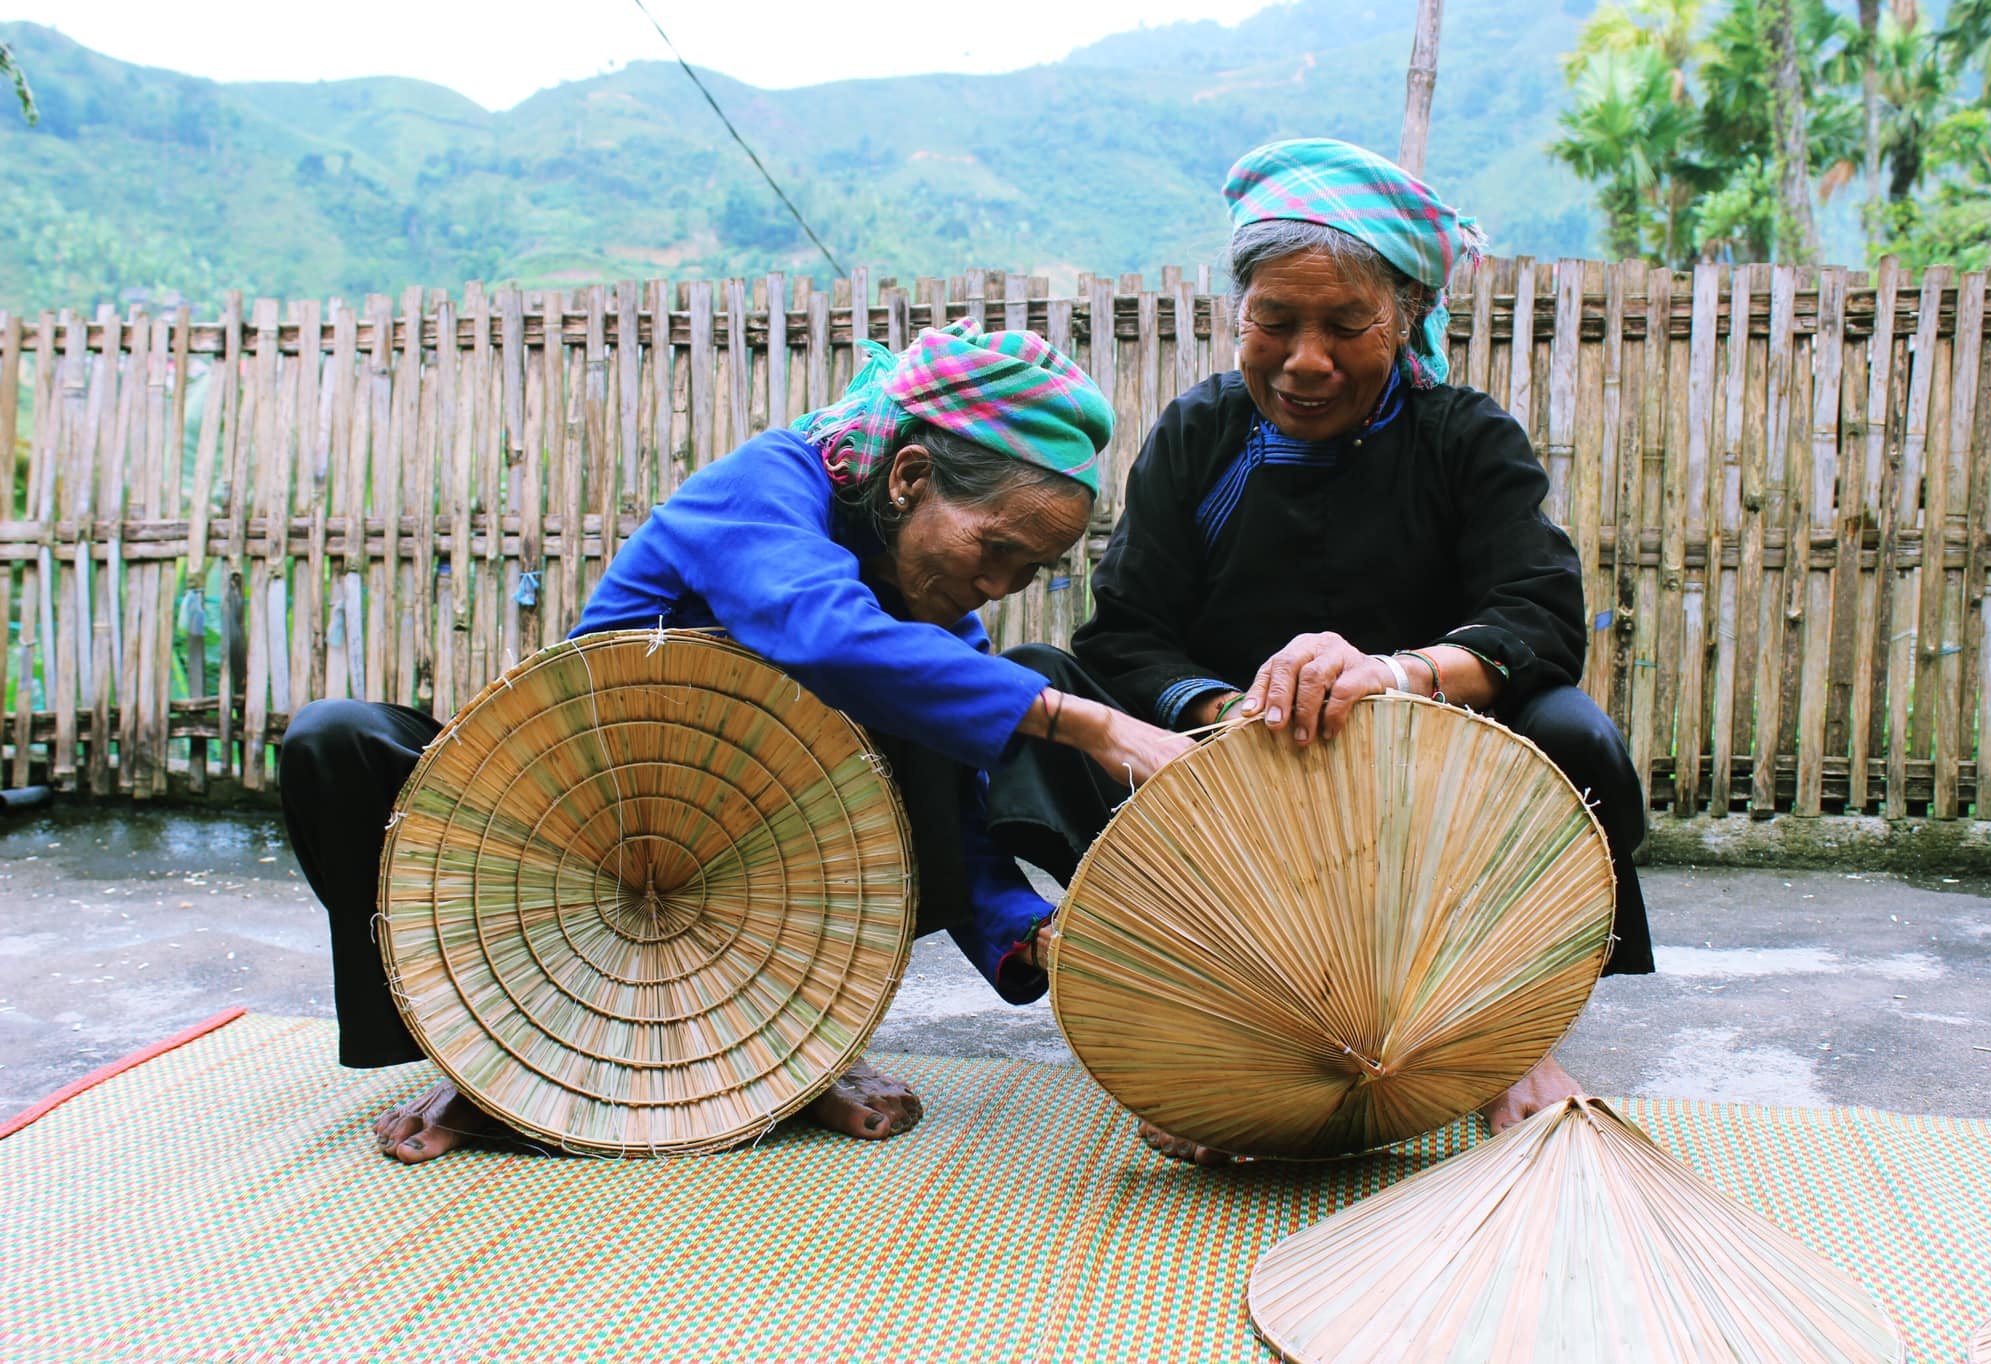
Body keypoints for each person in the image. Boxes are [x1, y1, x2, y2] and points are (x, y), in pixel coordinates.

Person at [281, 320, 1193, 1164]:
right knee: (336, 741)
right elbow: (822, 629)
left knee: (976, 691)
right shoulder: (764, 484)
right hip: (570, 828)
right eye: (994, 548)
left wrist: (1028, 934)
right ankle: (479, 1059)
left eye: (1028, 571)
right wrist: (1097, 724)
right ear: (910, 477)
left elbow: (953, 815)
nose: (1000, 583)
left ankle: (806, 1059)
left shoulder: (937, 622)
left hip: (754, 873)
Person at [989, 137, 1655, 1163]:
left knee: (1573, 732)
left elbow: (1539, 616)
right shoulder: (1200, 434)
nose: (1305, 358)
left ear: (1405, 321)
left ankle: (1507, 1030)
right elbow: (1121, 634)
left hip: (1420, 804)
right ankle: (1185, 1024)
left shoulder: (1462, 438)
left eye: (1345, 324)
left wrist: (1390, 676)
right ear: (1236, 316)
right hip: (1217, 794)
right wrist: (1221, 712)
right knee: (1028, 688)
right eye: (1274, 321)